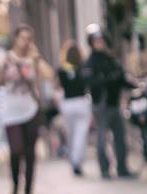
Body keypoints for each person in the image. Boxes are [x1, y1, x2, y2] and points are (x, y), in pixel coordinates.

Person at [0, 24, 52, 194]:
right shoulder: (5, 60)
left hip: (31, 110)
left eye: (28, 38)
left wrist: (37, 57)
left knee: (30, 153)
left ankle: (29, 193)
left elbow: (49, 75)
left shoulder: (33, 59)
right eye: (22, 38)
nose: (25, 42)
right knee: (16, 150)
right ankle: (15, 186)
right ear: (15, 39)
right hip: (11, 112)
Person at [80, 26, 132, 179]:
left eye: (101, 40)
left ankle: (122, 167)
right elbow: (90, 82)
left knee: (120, 137)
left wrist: (134, 83)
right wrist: (109, 79)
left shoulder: (111, 59)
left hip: (114, 103)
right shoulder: (90, 62)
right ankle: (104, 168)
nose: (100, 43)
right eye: (96, 41)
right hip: (100, 105)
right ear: (91, 43)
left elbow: (122, 78)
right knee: (102, 139)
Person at [56, 39, 91, 176]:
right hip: (81, 102)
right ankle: (77, 160)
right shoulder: (83, 68)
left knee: (71, 133)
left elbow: (57, 86)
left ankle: (73, 159)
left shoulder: (61, 69)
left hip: (68, 103)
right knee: (81, 134)